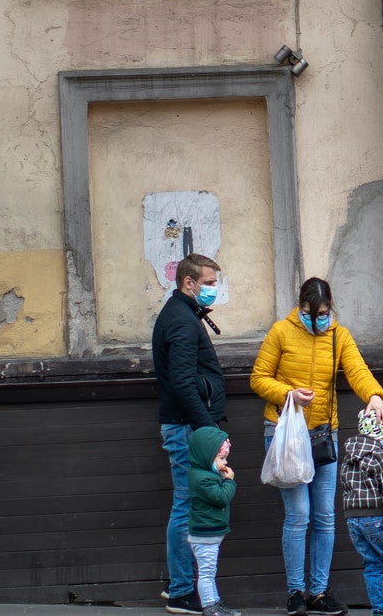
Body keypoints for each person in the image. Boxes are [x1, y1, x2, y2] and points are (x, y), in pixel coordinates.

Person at [251, 277, 383, 616]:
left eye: (322, 313)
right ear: (300, 307)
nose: (316, 319)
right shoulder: (281, 332)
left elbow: (357, 370)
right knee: (299, 514)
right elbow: (258, 377)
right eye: (309, 313)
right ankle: (295, 593)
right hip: (285, 433)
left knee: (326, 516)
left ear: (330, 309)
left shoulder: (339, 336)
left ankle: (318, 592)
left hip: (322, 435)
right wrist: (288, 394)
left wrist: (374, 396)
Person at [153, 253, 228, 614]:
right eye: (210, 282)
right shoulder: (182, 321)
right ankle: (184, 590)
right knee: (186, 505)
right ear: (189, 283)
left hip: (185, 423)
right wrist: (208, 427)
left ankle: (180, 583)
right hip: (187, 426)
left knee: (185, 502)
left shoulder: (182, 314)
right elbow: (183, 382)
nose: (214, 289)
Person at [341, 410, 383, 616]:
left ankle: (379, 609)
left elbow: (344, 485)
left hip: (352, 520)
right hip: (376, 518)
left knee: (371, 563)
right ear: (381, 433)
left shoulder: (349, 456)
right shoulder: (381, 454)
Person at [187, 426, 241, 616]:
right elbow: (221, 497)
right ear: (206, 458)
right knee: (207, 572)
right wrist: (229, 481)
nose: (225, 463)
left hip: (210, 533)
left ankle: (215, 603)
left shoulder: (207, 475)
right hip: (204, 534)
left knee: (210, 570)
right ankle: (210, 607)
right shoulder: (203, 479)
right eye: (221, 459)